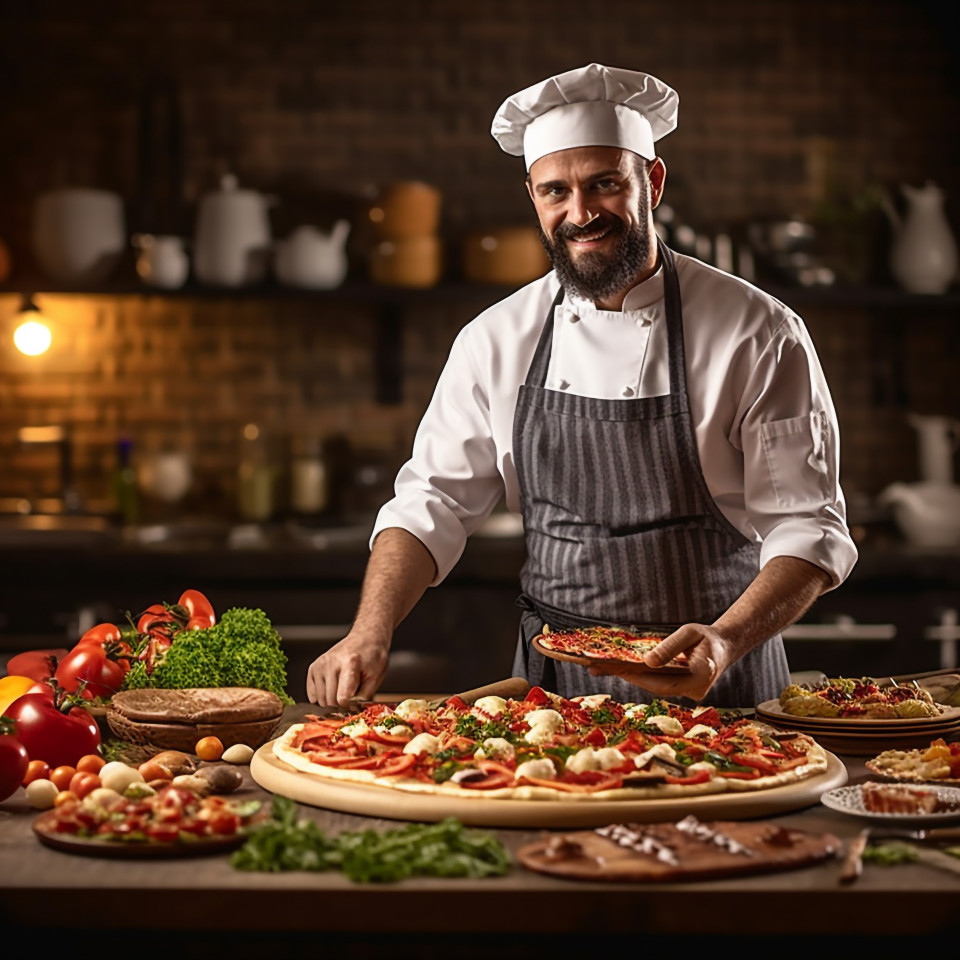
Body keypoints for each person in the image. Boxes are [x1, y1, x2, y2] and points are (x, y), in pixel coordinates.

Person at [306, 63, 858, 709]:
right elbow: (433, 504)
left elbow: (807, 527)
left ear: (650, 182)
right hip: (552, 700)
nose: (580, 213)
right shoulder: (494, 339)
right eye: (555, 192)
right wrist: (368, 632)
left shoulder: (758, 332)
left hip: (719, 683)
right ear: (532, 198)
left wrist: (725, 640)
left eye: (604, 184)